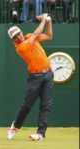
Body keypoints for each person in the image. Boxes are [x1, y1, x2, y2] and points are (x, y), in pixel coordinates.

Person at [7, 13, 54, 141]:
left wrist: (48, 21)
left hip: (48, 75)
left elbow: (49, 36)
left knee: (46, 105)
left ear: (22, 32)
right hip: (35, 77)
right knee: (27, 105)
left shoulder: (27, 37)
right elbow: (35, 35)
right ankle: (15, 126)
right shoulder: (21, 48)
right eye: (15, 37)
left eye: (19, 34)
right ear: (13, 40)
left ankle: (40, 134)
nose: (18, 37)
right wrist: (43, 19)